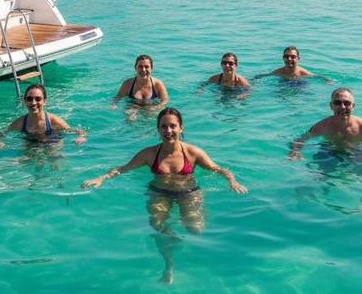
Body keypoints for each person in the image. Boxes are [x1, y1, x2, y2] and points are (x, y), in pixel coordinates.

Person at [81, 107, 246, 283]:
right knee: (158, 226)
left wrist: (232, 181)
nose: (168, 131)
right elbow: (122, 168)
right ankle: (169, 265)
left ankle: (191, 242)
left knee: (196, 230)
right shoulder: (149, 154)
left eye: (172, 126)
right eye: (164, 126)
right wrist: (101, 178)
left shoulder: (193, 153)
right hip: (159, 192)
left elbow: (218, 169)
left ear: (181, 128)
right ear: (158, 129)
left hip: (188, 192)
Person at [288, 87, 362, 165]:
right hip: (330, 150)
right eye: (337, 103)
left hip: (358, 151)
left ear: (353, 106)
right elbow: (301, 139)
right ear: (331, 106)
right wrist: (295, 152)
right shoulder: (322, 126)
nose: (342, 107)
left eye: (347, 103)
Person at [0, 83, 86, 147]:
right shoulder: (20, 123)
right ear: (24, 101)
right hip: (31, 141)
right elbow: (0, 133)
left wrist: (80, 137)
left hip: (52, 138)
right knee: (22, 160)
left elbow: (79, 131)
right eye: (29, 99)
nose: (33, 103)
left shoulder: (53, 121)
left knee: (54, 157)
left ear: (45, 101)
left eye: (38, 99)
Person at [258, 46, 332, 83]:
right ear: (283, 58)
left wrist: (327, 80)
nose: (289, 59)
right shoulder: (279, 72)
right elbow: (265, 76)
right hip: (284, 84)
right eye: (286, 56)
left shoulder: (302, 72)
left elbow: (316, 76)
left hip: (300, 83)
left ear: (298, 59)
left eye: (292, 57)